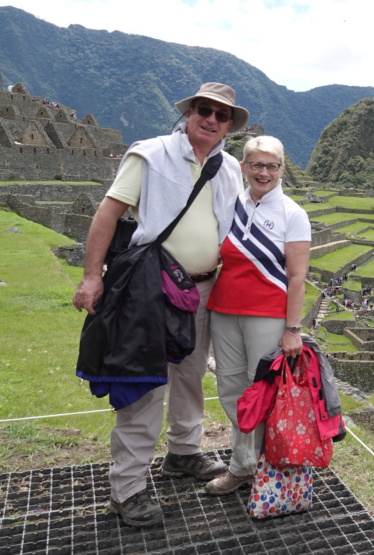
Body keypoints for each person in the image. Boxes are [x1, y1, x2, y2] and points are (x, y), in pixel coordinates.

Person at [73, 82, 248, 527]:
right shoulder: (150, 154)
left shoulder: (228, 168)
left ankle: (184, 453)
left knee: (191, 375)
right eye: (203, 110)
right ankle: (127, 488)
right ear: (189, 112)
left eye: (221, 115)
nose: (211, 119)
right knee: (146, 383)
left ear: (230, 126)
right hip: (152, 288)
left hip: (205, 289)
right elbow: (109, 212)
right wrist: (93, 276)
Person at [203, 135, 312, 495]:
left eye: (271, 165)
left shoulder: (292, 214)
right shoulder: (230, 205)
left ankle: (268, 468)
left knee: (262, 392)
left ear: (282, 168)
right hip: (224, 310)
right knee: (231, 389)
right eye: (256, 165)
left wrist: (293, 328)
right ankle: (243, 465)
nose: (263, 172)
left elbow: (297, 277)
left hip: (267, 314)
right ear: (244, 167)